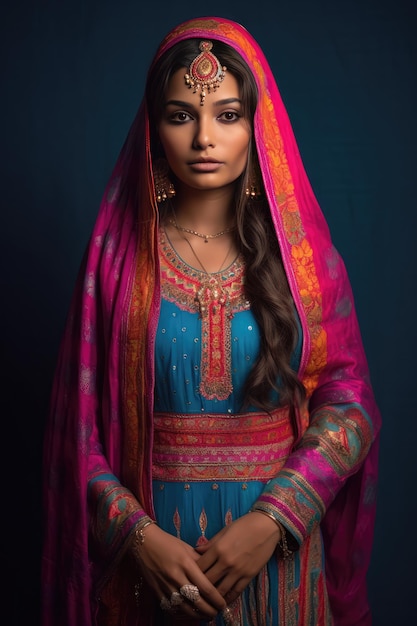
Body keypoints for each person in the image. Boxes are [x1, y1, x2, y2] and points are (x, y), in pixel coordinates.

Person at [41, 16, 381, 626]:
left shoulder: (301, 261)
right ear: (153, 128)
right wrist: (139, 538)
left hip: (278, 555)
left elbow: (350, 404)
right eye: (180, 116)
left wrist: (275, 517)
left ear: (258, 126)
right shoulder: (117, 265)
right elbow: (79, 438)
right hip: (155, 569)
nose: (204, 137)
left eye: (227, 115)